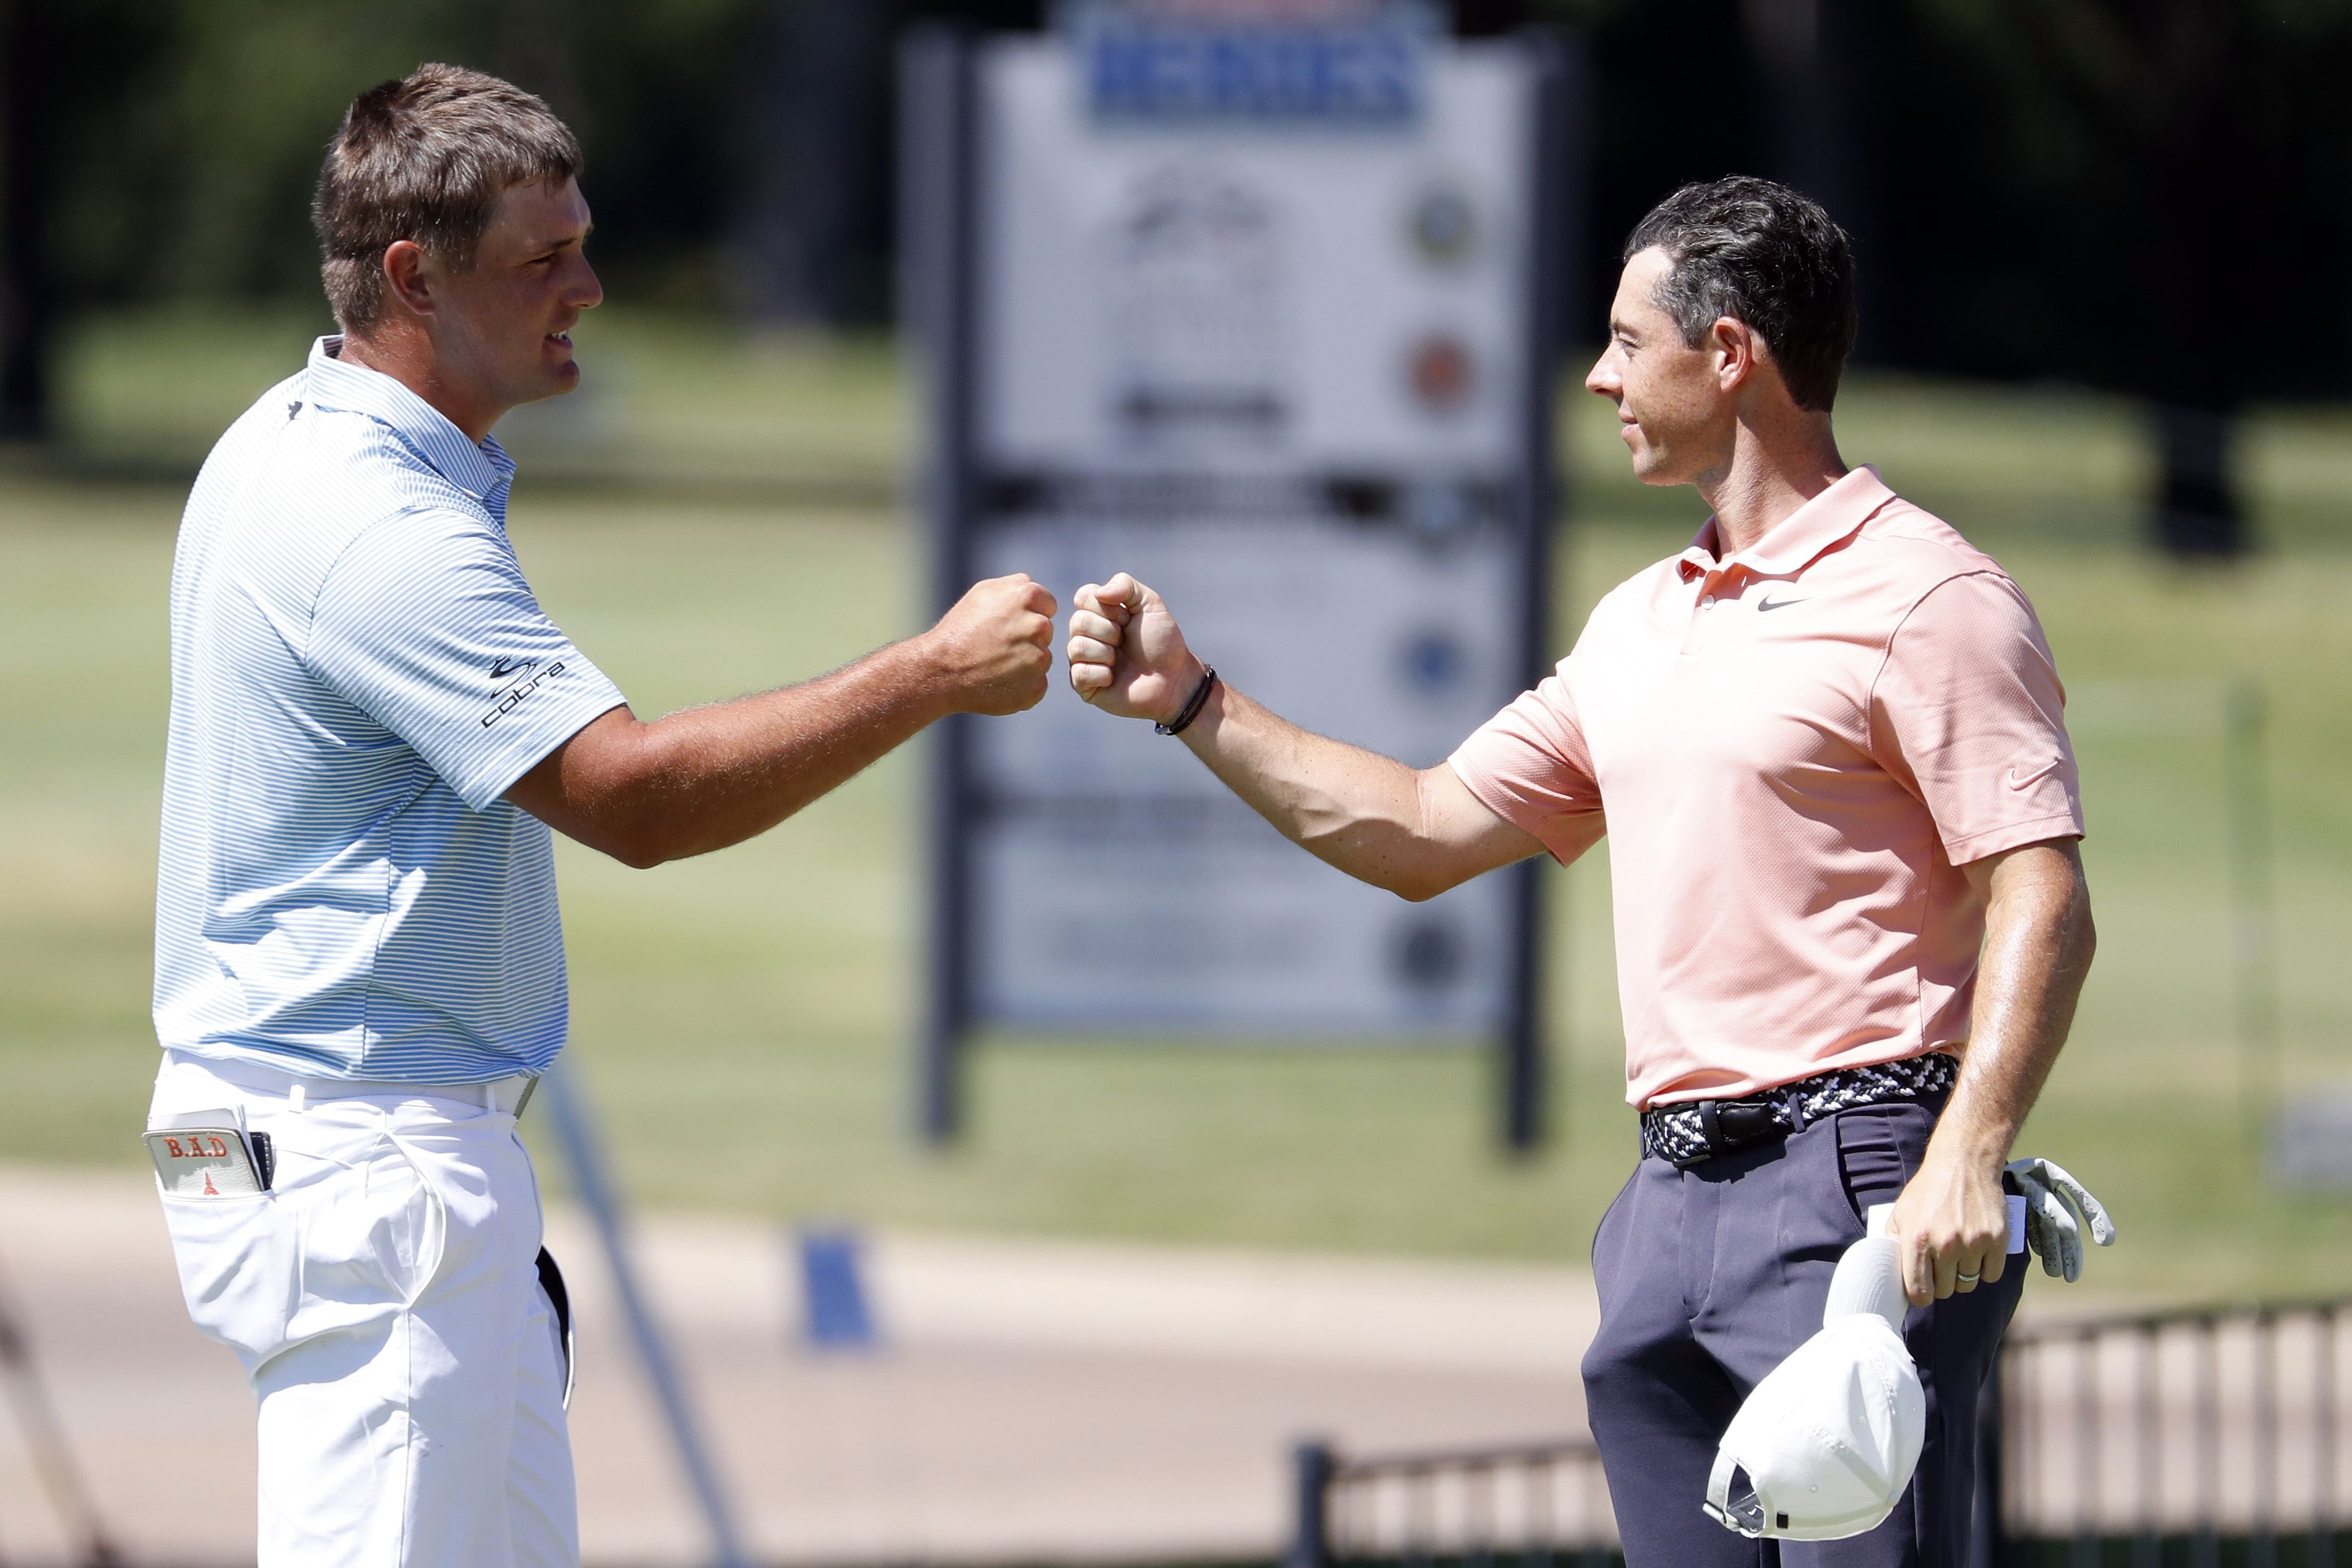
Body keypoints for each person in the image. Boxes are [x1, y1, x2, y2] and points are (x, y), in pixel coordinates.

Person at [1064, 175, 2096, 1566]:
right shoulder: (1635, 624)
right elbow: (1423, 830)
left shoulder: (1929, 598)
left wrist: (1966, 1154)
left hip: (1863, 1188)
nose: (1600, 375)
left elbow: (2041, 894)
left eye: (1626, 340)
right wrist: (1193, 701)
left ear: (1727, 354)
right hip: (1665, 1209)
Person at [146, 64, 1053, 1567]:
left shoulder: (304, 437)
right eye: (540, 259)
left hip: (366, 1155)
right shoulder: (372, 520)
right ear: (408, 277)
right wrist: (926, 676)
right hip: (368, 1165)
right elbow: (626, 797)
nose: (591, 285)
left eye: (581, 241)